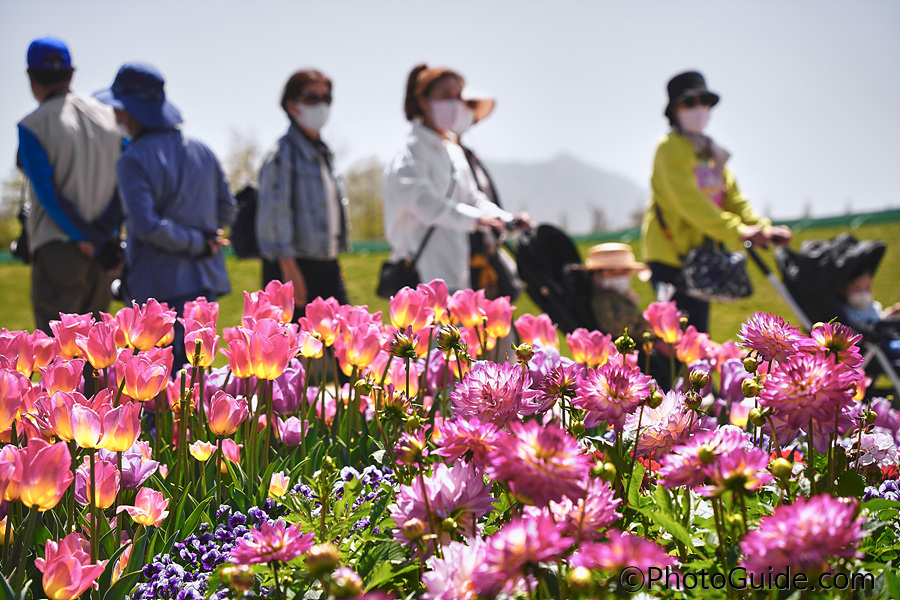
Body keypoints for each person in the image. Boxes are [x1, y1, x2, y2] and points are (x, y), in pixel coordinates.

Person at [95, 63, 235, 369]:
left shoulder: (132, 160)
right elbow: (227, 208)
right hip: (202, 283)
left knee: (157, 383)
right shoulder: (202, 150)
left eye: (118, 108)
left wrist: (196, 242)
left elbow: (145, 224)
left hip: (155, 286)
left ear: (131, 112)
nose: (116, 116)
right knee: (194, 385)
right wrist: (203, 235)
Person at [641, 70, 792, 333]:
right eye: (690, 103)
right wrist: (739, 231)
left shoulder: (711, 153)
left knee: (699, 338)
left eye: (704, 102)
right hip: (671, 258)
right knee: (675, 340)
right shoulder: (669, 148)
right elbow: (691, 204)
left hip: (704, 257)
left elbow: (734, 200)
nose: (699, 109)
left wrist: (762, 227)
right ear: (674, 110)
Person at [382, 64, 531, 294]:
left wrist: (506, 218)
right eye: (445, 96)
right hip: (422, 274)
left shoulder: (453, 150)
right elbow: (426, 204)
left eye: (458, 97)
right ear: (423, 101)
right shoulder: (410, 153)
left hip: (458, 273)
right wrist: (478, 219)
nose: (454, 104)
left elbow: (474, 198)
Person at [17, 36, 123, 334]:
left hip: (58, 249)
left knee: (57, 357)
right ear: (71, 73)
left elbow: (47, 194)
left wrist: (83, 236)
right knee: (96, 357)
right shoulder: (109, 117)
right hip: (103, 250)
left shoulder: (32, 125)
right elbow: (124, 182)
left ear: (31, 76)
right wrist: (101, 237)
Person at [256, 69, 350, 319]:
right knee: (296, 352)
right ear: (292, 104)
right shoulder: (282, 154)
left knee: (341, 346)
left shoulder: (323, 152)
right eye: (312, 97)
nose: (321, 104)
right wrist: (289, 270)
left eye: (327, 98)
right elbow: (276, 214)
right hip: (294, 266)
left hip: (325, 263)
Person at [454, 89, 522, 301]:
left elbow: (480, 199)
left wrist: (507, 219)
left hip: (486, 251)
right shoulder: (441, 159)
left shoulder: (471, 157)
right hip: (459, 256)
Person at [575, 243, 651, 338]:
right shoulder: (604, 300)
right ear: (596, 275)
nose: (619, 277)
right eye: (612, 272)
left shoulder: (623, 296)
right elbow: (619, 330)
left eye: (624, 272)